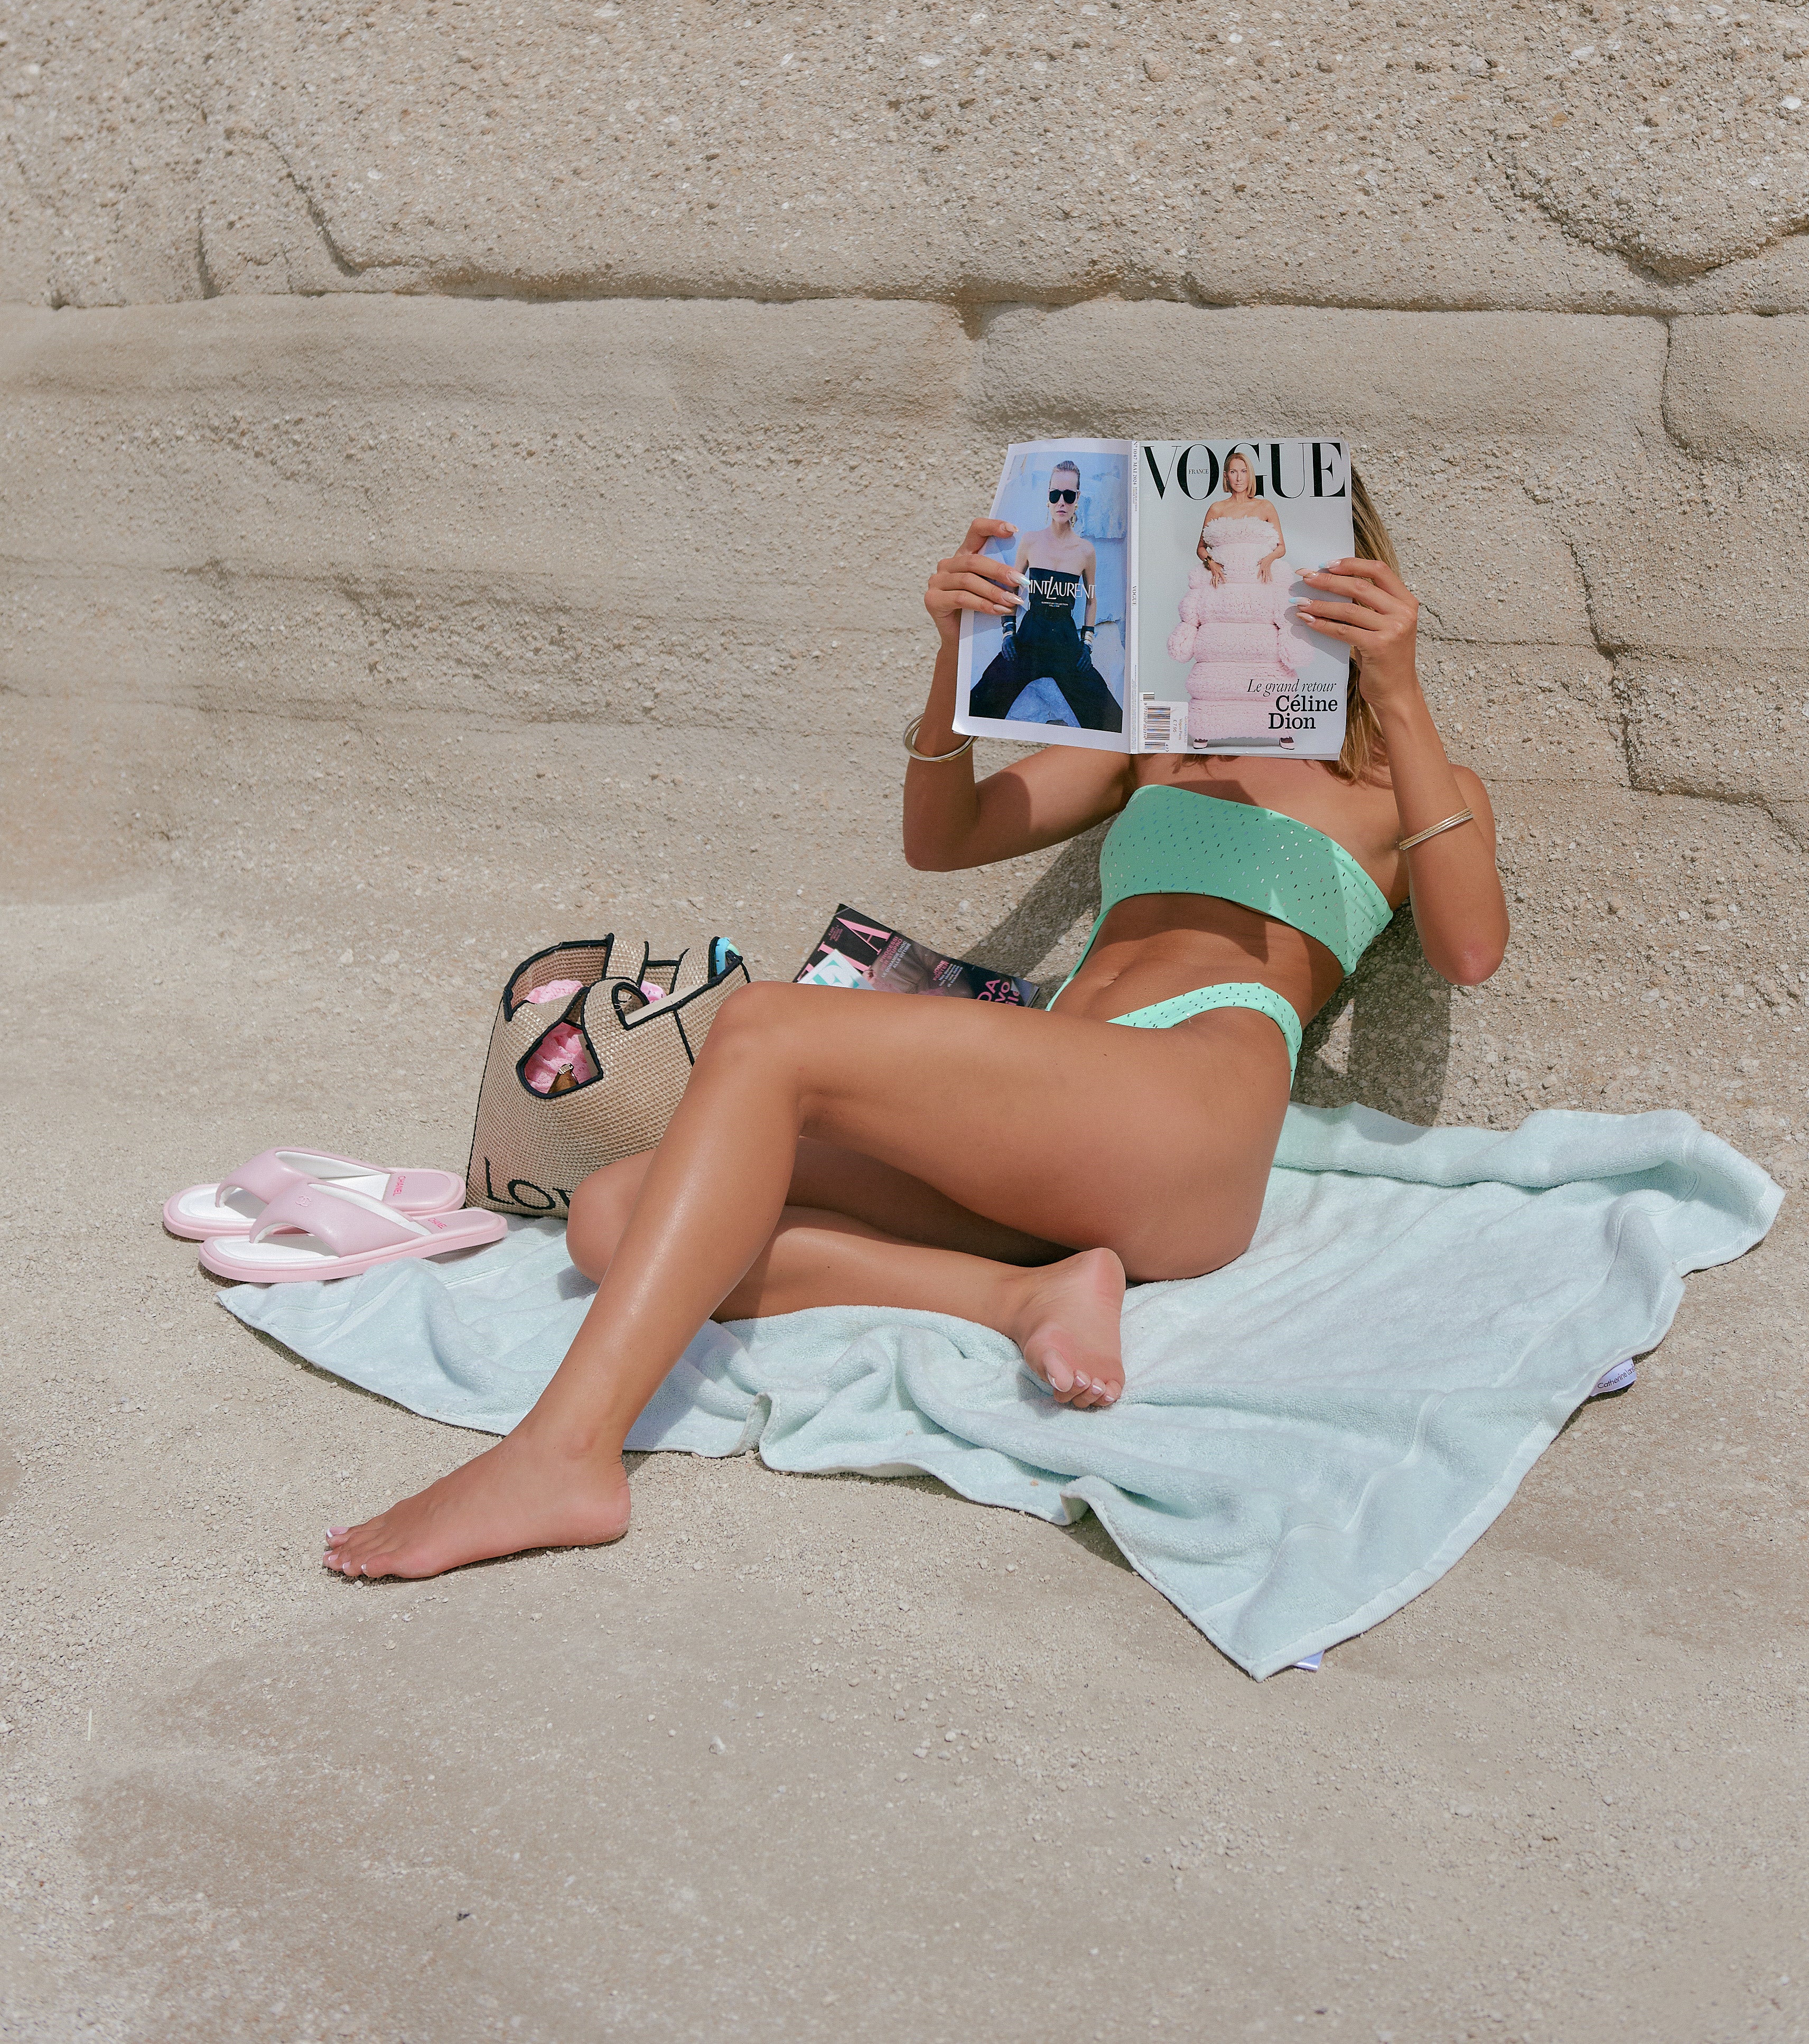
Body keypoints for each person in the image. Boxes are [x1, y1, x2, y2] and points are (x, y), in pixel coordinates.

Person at [324, 471, 1508, 1582]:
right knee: (611, 1214)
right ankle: (1020, 1298)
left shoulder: (1407, 784)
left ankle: (564, 1455)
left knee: (773, 1034)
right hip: (1055, 1119)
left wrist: (1396, 691)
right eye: (1202, 549)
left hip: (1188, 1110)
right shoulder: (1160, 744)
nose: (1227, 567)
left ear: (1331, 566)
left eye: (1262, 543)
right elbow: (946, 838)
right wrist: (954, 662)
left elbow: (1470, 950)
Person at [965, 458, 1123, 735]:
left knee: (1109, 718)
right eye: (1055, 495)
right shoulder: (1030, 541)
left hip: (1066, 644)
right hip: (1028, 640)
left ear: (1076, 500)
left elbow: (1092, 598)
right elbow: (1012, 587)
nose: (1061, 501)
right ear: (1048, 499)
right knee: (979, 702)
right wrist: (1008, 633)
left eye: (1069, 495)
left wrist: (1087, 645)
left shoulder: (1086, 551)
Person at [1197, 448, 1288, 585]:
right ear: (1226, 476)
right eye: (1234, 472)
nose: (1239, 478)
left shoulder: (1265, 506)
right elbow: (1201, 548)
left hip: (1260, 579)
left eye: (1244, 472)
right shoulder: (1217, 508)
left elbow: (1281, 547)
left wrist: (1268, 560)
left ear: (1249, 475)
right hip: (1224, 581)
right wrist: (1212, 564)